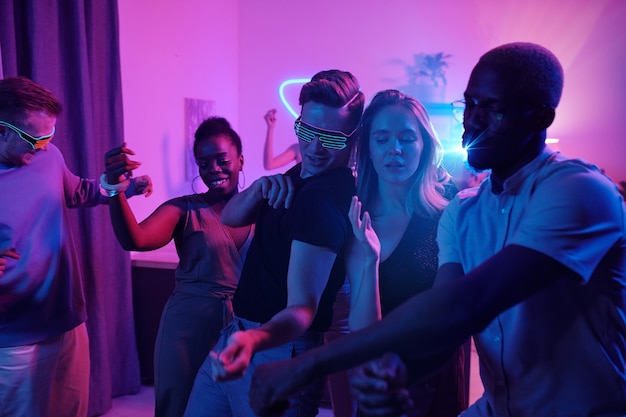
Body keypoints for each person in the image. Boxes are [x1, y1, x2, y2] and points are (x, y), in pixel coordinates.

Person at [248, 42, 626, 417]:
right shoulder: (466, 211)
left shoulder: (578, 190)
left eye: (491, 109)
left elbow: (468, 302)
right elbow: (443, 325)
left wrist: (308, 364)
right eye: (470, 104)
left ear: (539, 119)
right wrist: (396, 375)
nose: (473, 120)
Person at [183, 69, 365, 417]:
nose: (315, 147)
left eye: (332, 138)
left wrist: (255, 340)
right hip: (242, 331)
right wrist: (257, 189)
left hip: (278, 347)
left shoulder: (323, 202)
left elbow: (302, 308)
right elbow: (230, 218)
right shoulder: (301, 175)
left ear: (353, 138)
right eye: (307, 131)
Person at [0, 76, 152, 417]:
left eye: (48, 136)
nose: (42, 146)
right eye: (33, 138)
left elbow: (79, 191)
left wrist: (119, 187)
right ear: (2, 130)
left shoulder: (48, 156)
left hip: (68, 321)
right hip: (14, 340)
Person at [103, 117, 253, 417]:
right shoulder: (183, 209)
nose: (214, 169)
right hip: (187, 329)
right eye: (204, 162)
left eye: (222, 160)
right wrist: (114, 189)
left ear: (240, 159)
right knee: (179, 408)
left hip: (244, 327)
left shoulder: (263, 208)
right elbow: (135, 239)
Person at [345, 89, 468, 417]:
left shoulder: (450, 205)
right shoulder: (359, 215)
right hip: (380, 380)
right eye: (382, 139)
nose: (395, 150)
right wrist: (370, 259)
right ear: (368, 149)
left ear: (424, 145)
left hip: (437, 370)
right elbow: (363, 328)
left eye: (407, 138)